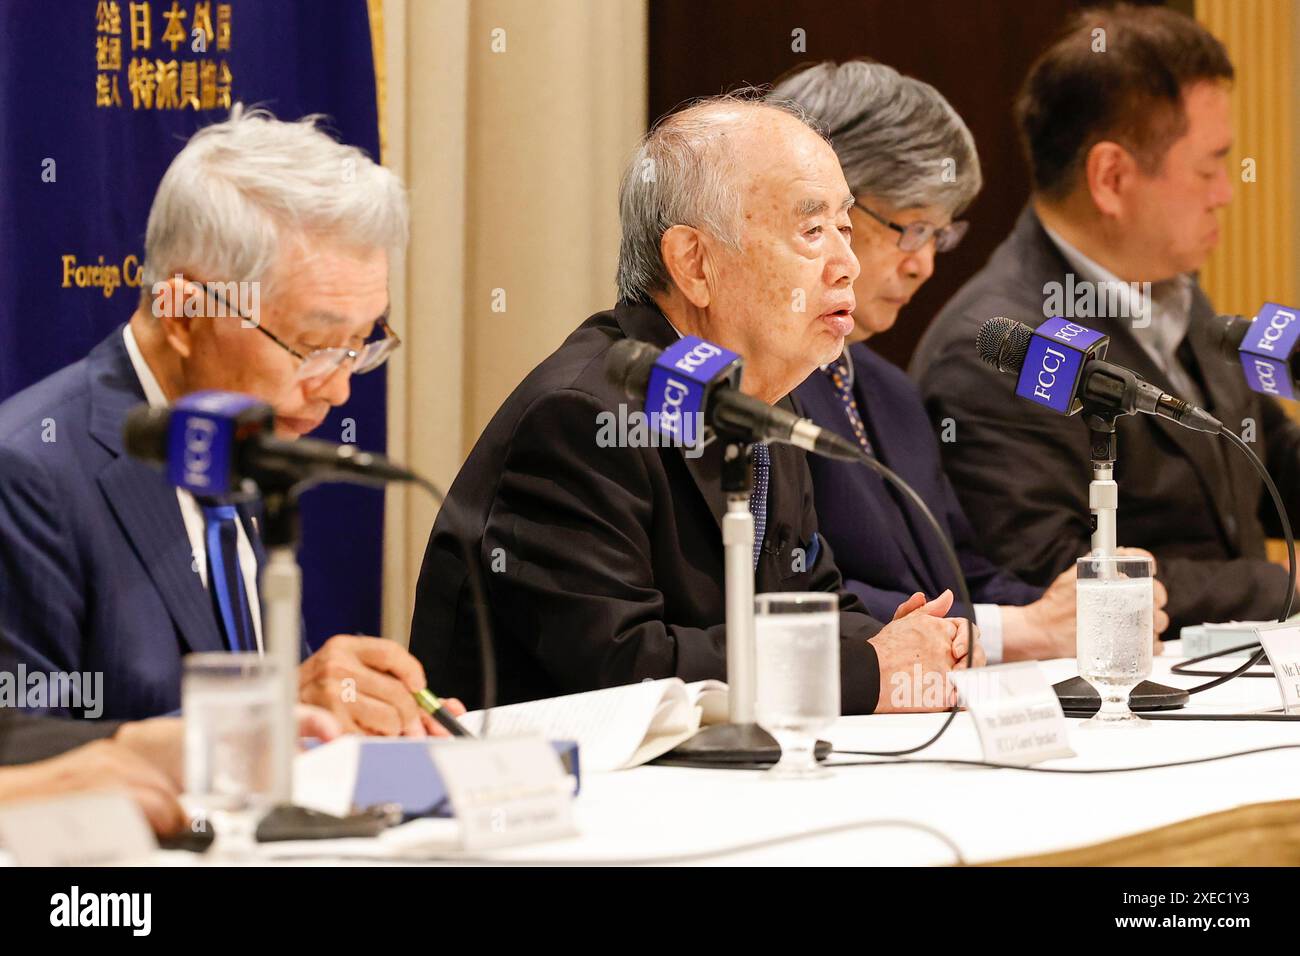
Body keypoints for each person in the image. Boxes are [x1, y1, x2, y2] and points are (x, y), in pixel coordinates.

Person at [410, 93, 982, 714]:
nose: (847, 266)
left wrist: (906, 641)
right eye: (813, 231)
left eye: (845, 230)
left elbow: (813, 607)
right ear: (694, 263)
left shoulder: (757, 404)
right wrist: (867, 668)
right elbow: (623, 666)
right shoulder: (588, 415)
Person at [0, 105, 449, 733]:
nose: (341, 389)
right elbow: (18, 752)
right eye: (314, 346)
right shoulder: (28, 474)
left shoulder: (238, 442)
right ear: (184, 315)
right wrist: (269, 714)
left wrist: (364, 732)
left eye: (361, 343)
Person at [911, 5, 1300, 633]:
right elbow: (1055, 579)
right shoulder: (999, 346)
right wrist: (1279, 584)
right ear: (1112, 178)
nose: (1226, 191)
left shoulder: (1175, 287)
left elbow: (1265, 453)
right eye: (1208, 167)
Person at [774, 61, 1168, 661]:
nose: (923, 264)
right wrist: (1018, 632)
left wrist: (1078, 605)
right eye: (908, 228)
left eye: (939, 235)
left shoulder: (889, 391)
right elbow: (792, 597)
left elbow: (963, 576)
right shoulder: (758, 386)